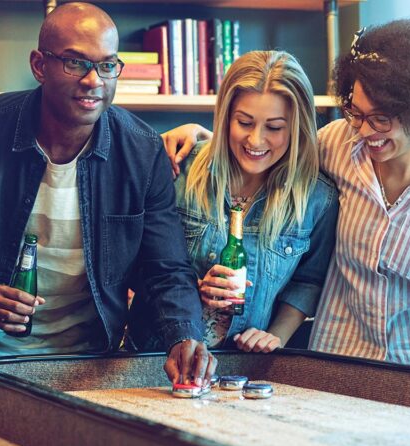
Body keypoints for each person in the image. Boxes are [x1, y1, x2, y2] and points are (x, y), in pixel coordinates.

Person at [161, 18, 410, 374]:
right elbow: (270, 148)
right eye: (355, 113)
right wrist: (201, 136)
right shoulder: (336, 143)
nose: (363, 131)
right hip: (345, 359)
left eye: (381, 119)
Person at [0, 2, 215, 385]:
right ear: (38, 65)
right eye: (75, 62)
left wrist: (185, 335)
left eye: (107, 65)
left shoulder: (142, 151)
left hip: (92, 365)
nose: (94, 80)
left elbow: (167, 268)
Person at [129, 51, 338, 354]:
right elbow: (134, 262)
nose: (256, 140)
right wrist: (188, 290)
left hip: (245, 366)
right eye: (245, 122)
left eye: (275, 127)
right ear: (226, 116)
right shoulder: (180, 171)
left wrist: (275, 336)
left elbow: (308, 281)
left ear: (296, 127)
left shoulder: (317, 199)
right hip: (153, 357)